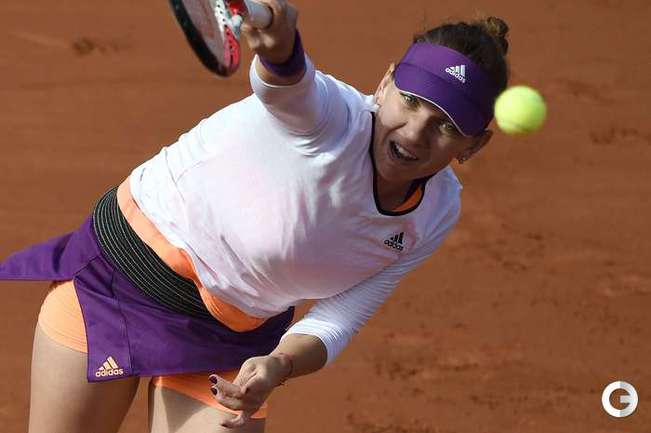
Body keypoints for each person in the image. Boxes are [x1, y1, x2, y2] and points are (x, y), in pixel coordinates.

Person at [0, 1, 510, 432]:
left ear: (474, 145)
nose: (416, 132)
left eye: (446, 125)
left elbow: (340, 315)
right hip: (122, 280)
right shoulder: (330, 118)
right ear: (384, 85)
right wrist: (281, 49)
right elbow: (287, 86)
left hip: (234, 338)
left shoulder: (435, 213)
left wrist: (279, 364)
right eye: (411, 101)